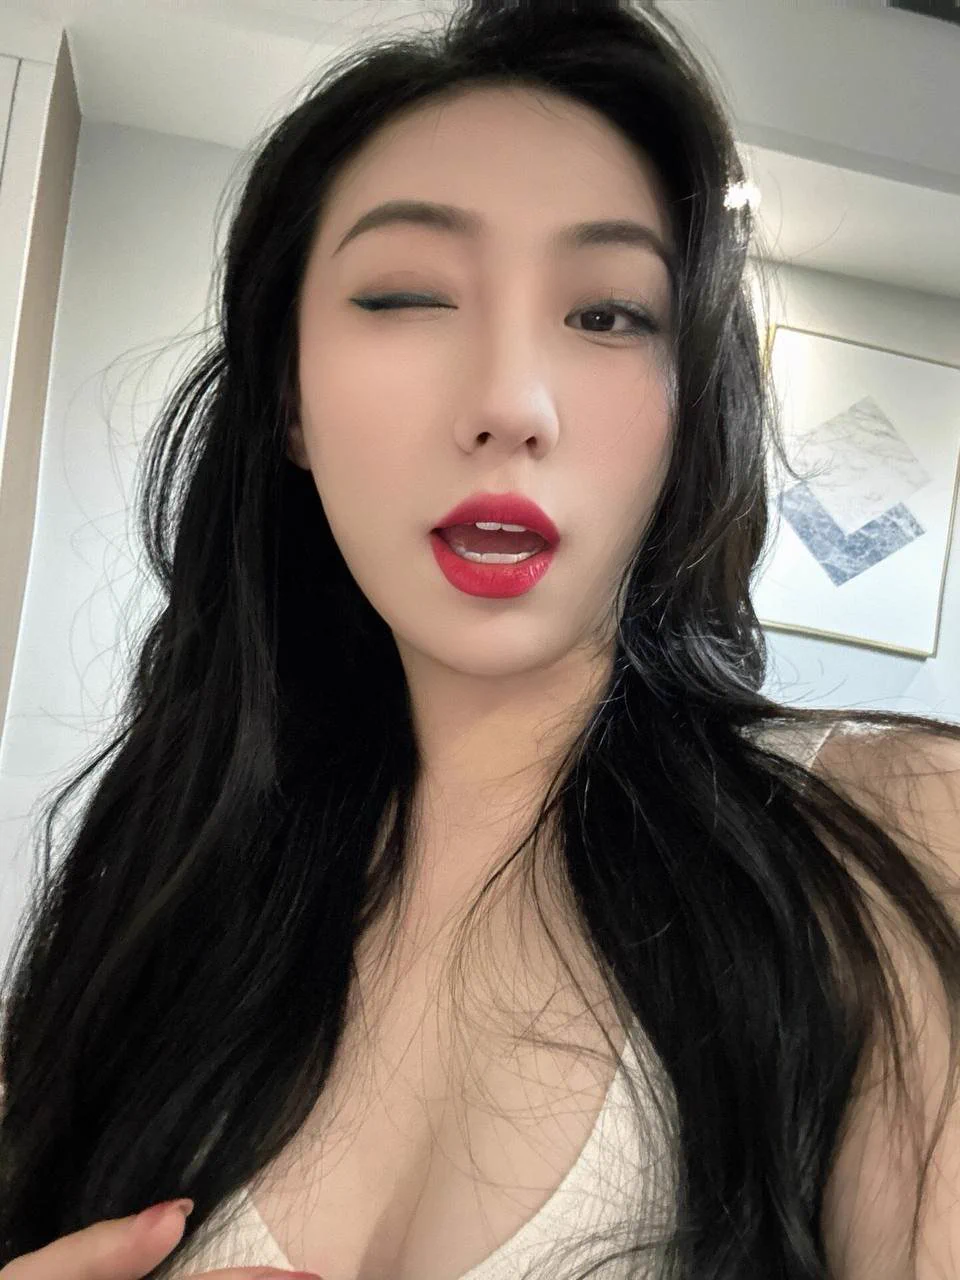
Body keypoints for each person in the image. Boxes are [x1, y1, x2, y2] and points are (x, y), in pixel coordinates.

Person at [1, 2, 958, 1278]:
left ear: (687, 412)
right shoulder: (165, 889)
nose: (512, 402)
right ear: (290, 400)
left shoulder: (891, 845)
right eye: (406, 295)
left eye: (609, 314)